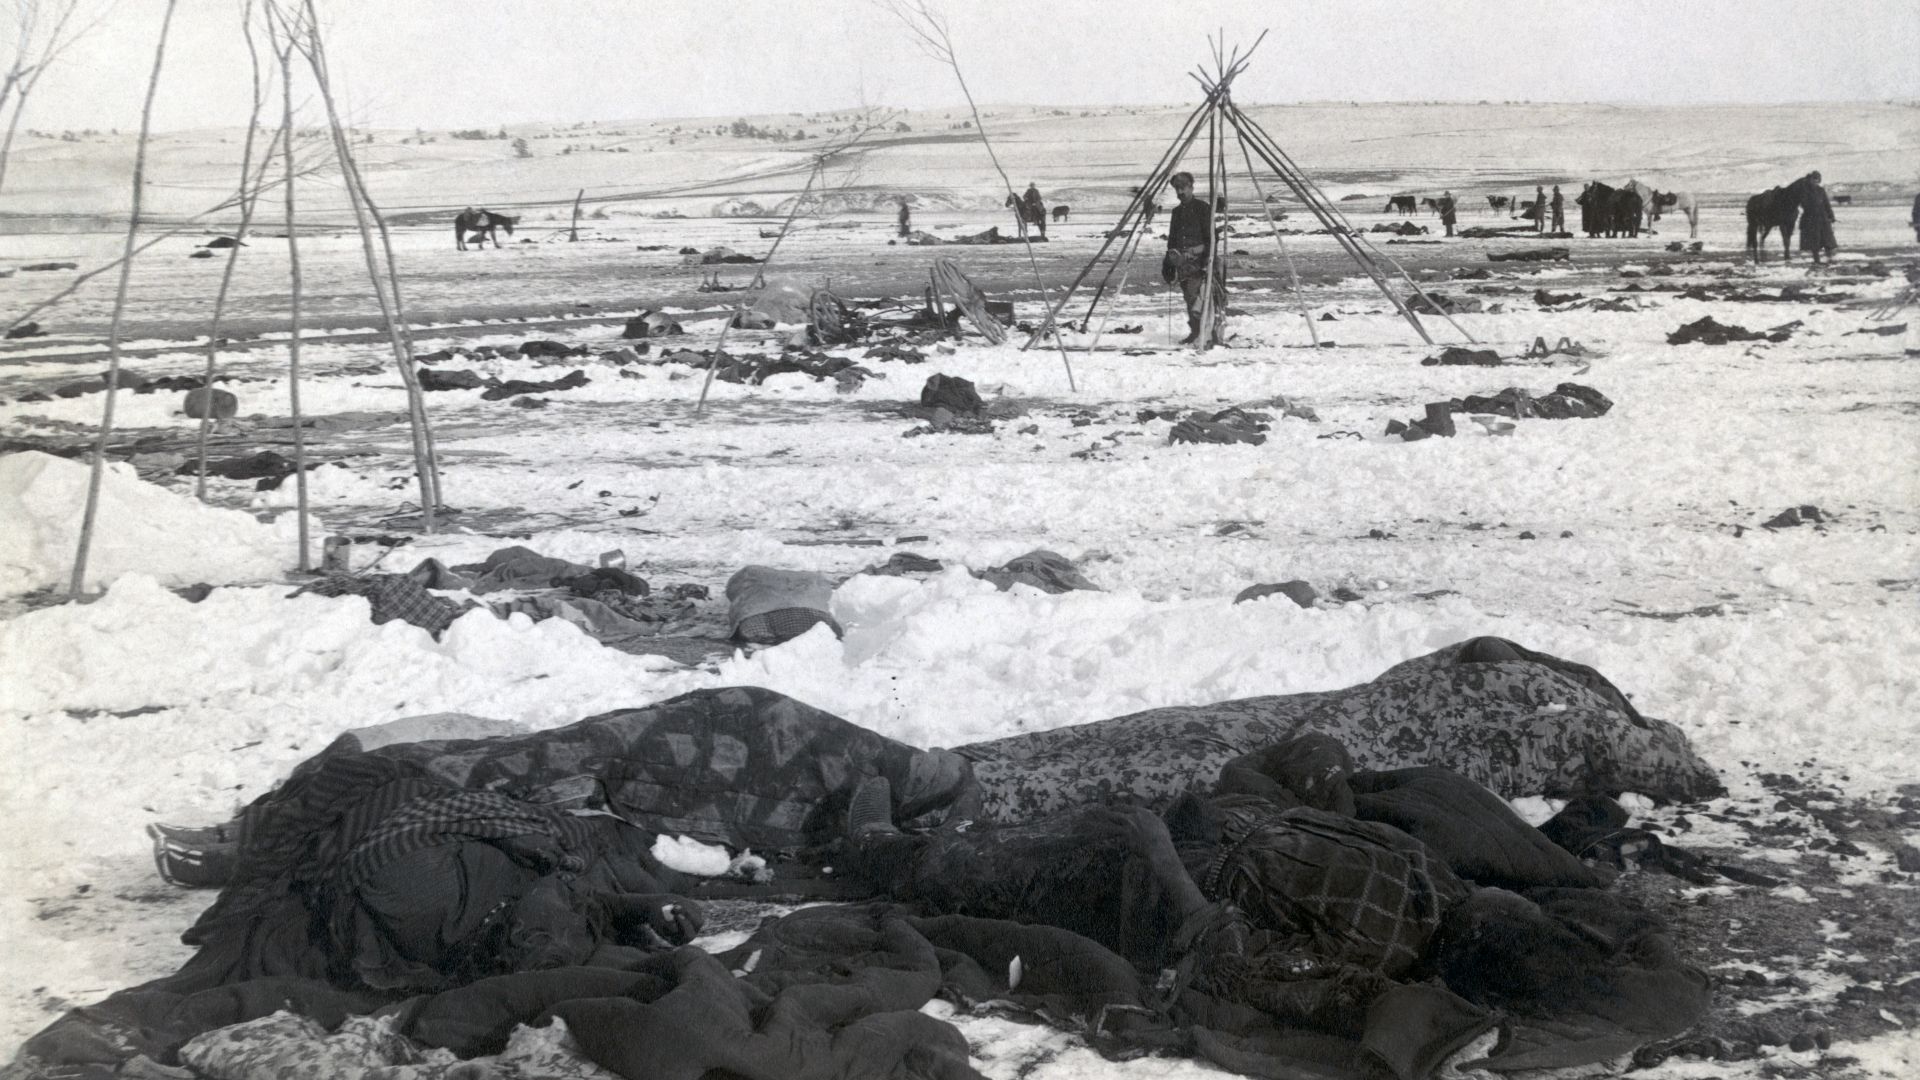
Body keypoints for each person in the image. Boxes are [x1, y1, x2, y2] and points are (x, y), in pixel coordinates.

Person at [1161, 171, 1225, 346]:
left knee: (1199, 298)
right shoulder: (1176, 212)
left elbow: (1212, 238)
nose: (1180, 192)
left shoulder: (1202, 208)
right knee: (1189, 297)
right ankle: (1196, 331)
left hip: (1200, 262)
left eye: (1183, 188)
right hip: (1182, 264)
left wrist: (1202, 256)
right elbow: (1172, 239)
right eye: (1177, 189)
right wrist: (1169, 262)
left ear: (1191, 187)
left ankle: (1207, 333)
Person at [1799, 171, 1837, 265]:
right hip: (1810, 219)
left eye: (1817, 179)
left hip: (1823, 218)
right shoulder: (1805, 191)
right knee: (1814, 242)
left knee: (1828, 240)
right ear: (1810, 180)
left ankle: (1830, 259)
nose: (1815, 181)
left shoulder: (1821, 190)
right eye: (1813, 179)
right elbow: (1803, 204)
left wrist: (1831, 216)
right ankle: (1817, 261)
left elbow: (1827, 204)